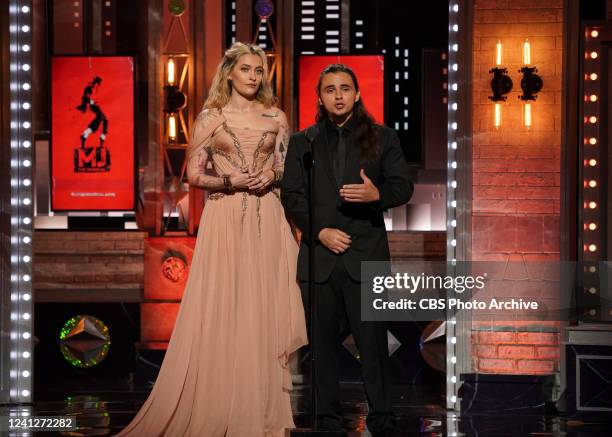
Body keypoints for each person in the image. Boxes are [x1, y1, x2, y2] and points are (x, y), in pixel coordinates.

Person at [115, 42, 307, 437]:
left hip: (268, 215)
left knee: (264, 306)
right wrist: (230, 180)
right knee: (226, 302)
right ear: (230, 74)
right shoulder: (211, 117)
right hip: (224, 216)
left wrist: (271, 176)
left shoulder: (276, 117)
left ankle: (263, 407)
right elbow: (193, 175)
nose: (254, 76)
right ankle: (223, 399)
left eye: (259, 70)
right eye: (246, 69)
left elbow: (286, 167)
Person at [281, 64, 413, 436]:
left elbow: (403, 187)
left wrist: (377, 196)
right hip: (319, 259)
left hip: (365, 255)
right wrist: (319, 231)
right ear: (320, 97)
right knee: (321, 347)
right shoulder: (302, 142)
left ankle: (382, 418)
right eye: (329, 89)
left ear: (356, 94)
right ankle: (327, 419)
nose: (337, 95)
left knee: (373, 345)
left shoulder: (383, 138)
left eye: (344, 88)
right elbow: (291, 195)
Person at [76, 76, 108, 148]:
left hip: (95, 105)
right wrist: (91, 102)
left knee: (104, 119)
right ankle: (87, 135)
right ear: (95, 82)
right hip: (92, 106)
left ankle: (98, 136)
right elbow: (85, 98)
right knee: (101, 117)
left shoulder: (95, 88)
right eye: (98, 83)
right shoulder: (89, 88)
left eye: (99, 83)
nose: (99, 85)